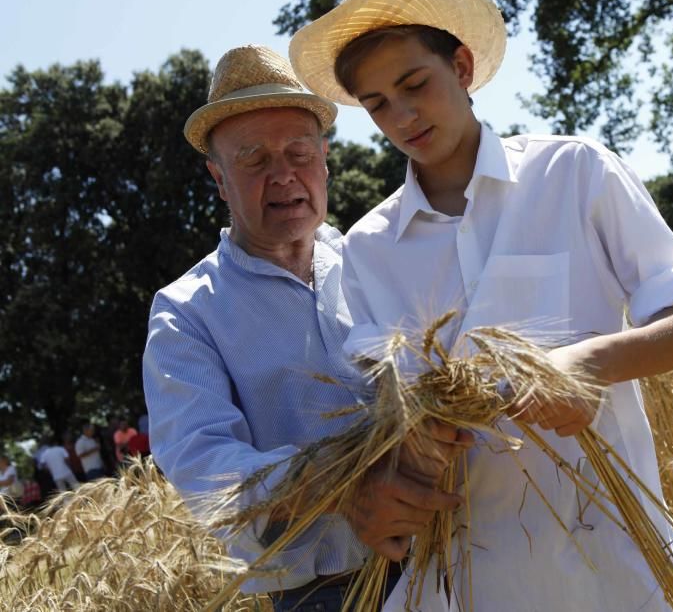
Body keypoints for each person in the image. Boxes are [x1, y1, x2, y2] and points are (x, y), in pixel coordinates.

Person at [290, 0, 673, 612]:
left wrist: (589, 363)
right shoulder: (367, 249)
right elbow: (389, 417)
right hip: (470, 582)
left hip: (617, 563)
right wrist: (412, 441)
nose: (403, 115)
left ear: (463, 67)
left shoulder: (574, 172)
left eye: (416, 84)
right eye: (378, 103)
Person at [142, 44, 467, 610]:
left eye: (298, 153)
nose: (283, 176)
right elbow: (205, 468)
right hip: (324, 594)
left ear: (325, 160)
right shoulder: (186, 313)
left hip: (457, 558)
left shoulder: (376, 258)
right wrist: (345, 486)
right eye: (254, 160)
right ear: (219, 178)